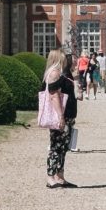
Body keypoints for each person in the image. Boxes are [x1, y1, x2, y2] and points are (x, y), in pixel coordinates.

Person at [41, 48, 77, 189]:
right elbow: (54, 95)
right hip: (60, 115)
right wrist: (60, 116)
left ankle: (59, 176)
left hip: (67, 114)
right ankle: (51, 176)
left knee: (63, 146)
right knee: (56, 146)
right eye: (62, 57)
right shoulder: (54, 73)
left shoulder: (59, 73)